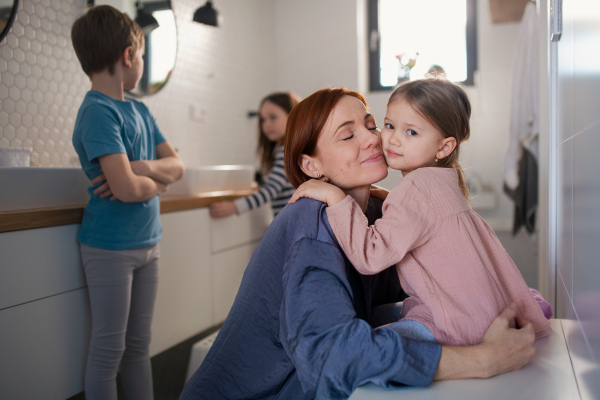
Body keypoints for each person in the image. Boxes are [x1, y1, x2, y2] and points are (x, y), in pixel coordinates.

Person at [180, 87, 536, 400]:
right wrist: (483, 360)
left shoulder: (379, 212)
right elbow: (334, 355)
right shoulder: (313, 223)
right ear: (311, 165)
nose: (373, 138)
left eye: (370, 124)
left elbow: (434, 282)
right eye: (347, 136)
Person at [289, 78, 552, 346]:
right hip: (477, 309)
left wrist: (336, 198)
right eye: (389, 125)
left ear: (444, 147)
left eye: (411, 132)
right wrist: (391, 197)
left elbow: (371, 256)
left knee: (367, 345)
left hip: (457, 322)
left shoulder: (415, 187)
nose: (391, 139)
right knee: (378, 314)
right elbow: (428, 219)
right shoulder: (441, 180)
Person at [71, 6, 185, 400]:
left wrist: (139, 168)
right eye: (140, 52)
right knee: (108, 350)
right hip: (109, 249)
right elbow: (127, 190)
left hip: (148, 244)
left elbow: (178, 166)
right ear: (128, 56)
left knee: (138, 347)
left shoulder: (138, 109)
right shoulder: (97, 113)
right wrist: (156, 182)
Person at [209, 92, 301, 219]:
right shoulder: (291, 149)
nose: (266, 124)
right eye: (263, 119)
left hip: (294, 223)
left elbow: (271, 190)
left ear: (293, 115)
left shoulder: (286, 151)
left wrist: (235, 207)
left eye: (273, 117)